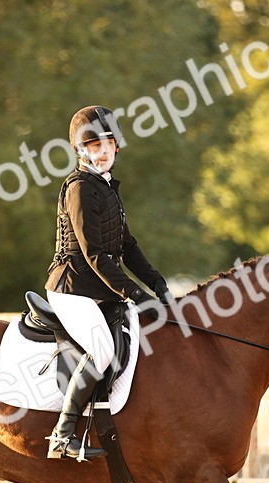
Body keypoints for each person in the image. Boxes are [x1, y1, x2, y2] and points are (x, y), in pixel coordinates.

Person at [44, 105, 171, 460]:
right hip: (72, 289)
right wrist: (135, 293)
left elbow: (126, 246)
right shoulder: (79, 189)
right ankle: (62, 434)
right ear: (81, 151)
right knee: (103, 351)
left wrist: (157, 284)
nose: (103, 151)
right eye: (95, 145)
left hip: (98, 289)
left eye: (109, 144)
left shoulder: (108, 188)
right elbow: (94, 254)